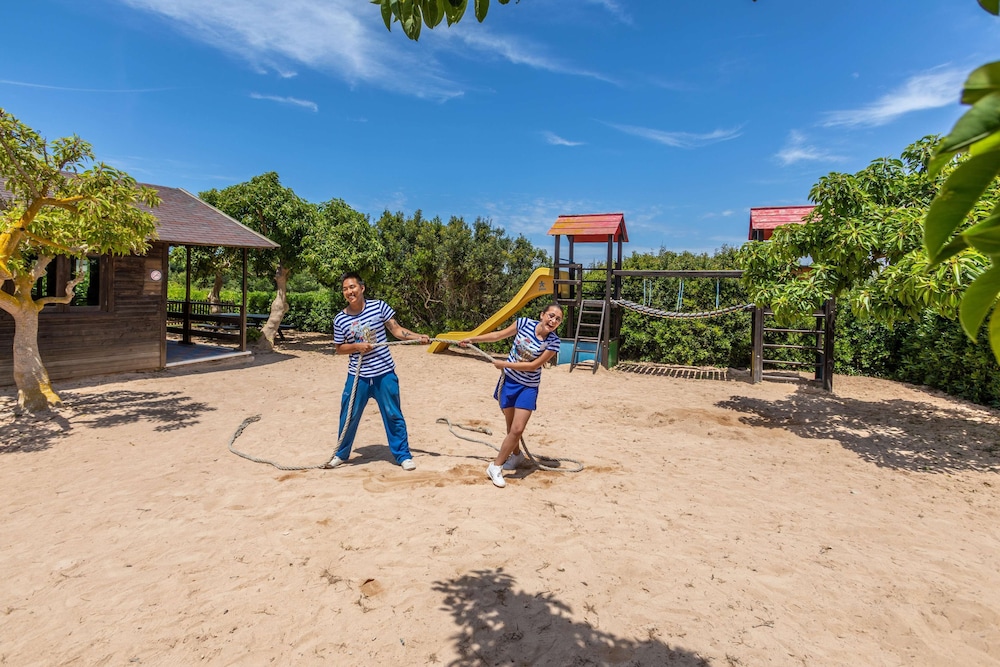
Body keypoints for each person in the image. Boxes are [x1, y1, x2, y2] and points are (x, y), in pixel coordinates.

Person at [327, 272, 429, 470]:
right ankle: (341, 454)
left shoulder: (379, 306)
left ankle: (403, 456)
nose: (349, 292)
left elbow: (397, 330)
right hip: (358, 376)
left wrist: (418, 336)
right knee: (349, 414)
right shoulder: (340, 319)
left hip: (384, 373)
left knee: (393, 414)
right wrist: (357, 347)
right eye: (345, 289)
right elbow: (339, 349)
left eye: (352, 287)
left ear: (362, 288)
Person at [459, 303, 563, 488]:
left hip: (528, 387)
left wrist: (505, 364)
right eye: (551, 315)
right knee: (510, 428)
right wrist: (472, 339)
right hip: (508, 382)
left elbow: (533, 366)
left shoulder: (554, 342)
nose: (553, 321)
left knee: (517, 429)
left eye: (557, 319)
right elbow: (498, 335)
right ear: (542, 315)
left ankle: (495, 466)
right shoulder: (523, 323)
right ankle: (516, 456)